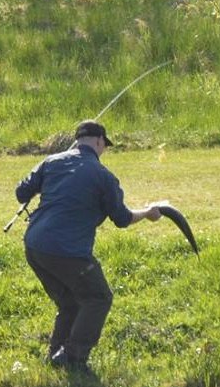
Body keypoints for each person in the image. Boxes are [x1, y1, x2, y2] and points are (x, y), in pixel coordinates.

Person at [14, 119, 171, 372]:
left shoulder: (51, 162)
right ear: (99, 141)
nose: (104, 150)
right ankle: (74, 357)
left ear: (77, 141)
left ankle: (56, 356)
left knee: (71, 303)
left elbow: (22, 193)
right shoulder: (103, 176)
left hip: (34, 246)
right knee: (99, 298)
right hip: (68, 252)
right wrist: (148, 213)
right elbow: (122, 219)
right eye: (104, 145)